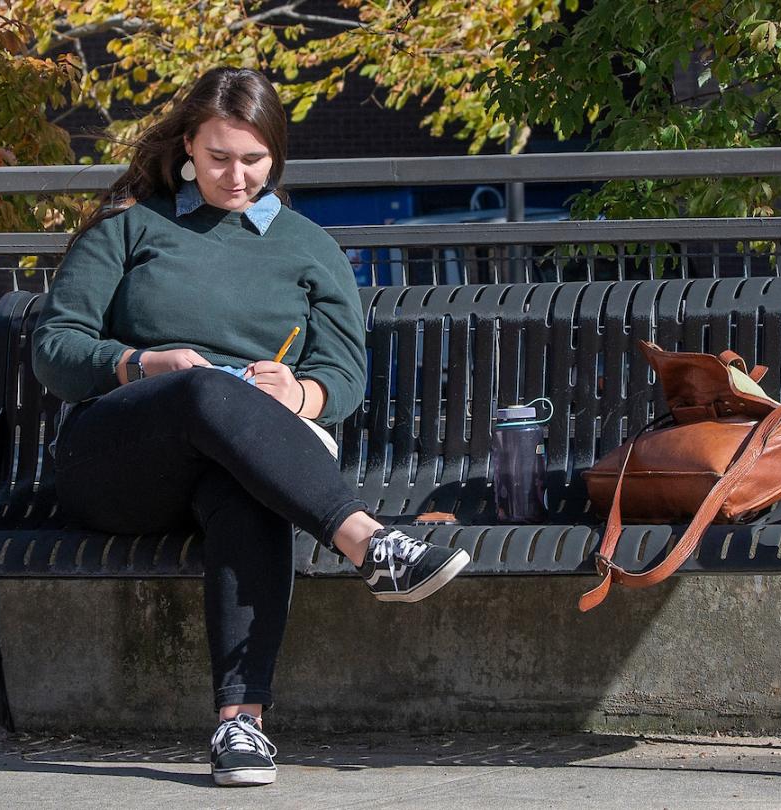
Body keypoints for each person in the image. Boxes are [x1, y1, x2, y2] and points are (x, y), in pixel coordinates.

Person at [28, 66, 470, 788]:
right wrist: (143, 364)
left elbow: (344, 378)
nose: (237, 177)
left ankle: (241, 726)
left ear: (277, 156)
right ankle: (369, 542)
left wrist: (298, 394)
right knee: (202, 389)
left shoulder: (308, 246)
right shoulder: (132, 227)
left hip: (246, 460)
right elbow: (56, 349)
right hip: (117, 465)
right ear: (186, 151)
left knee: (247, 487)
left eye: (254, 159)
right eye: (218, 158)